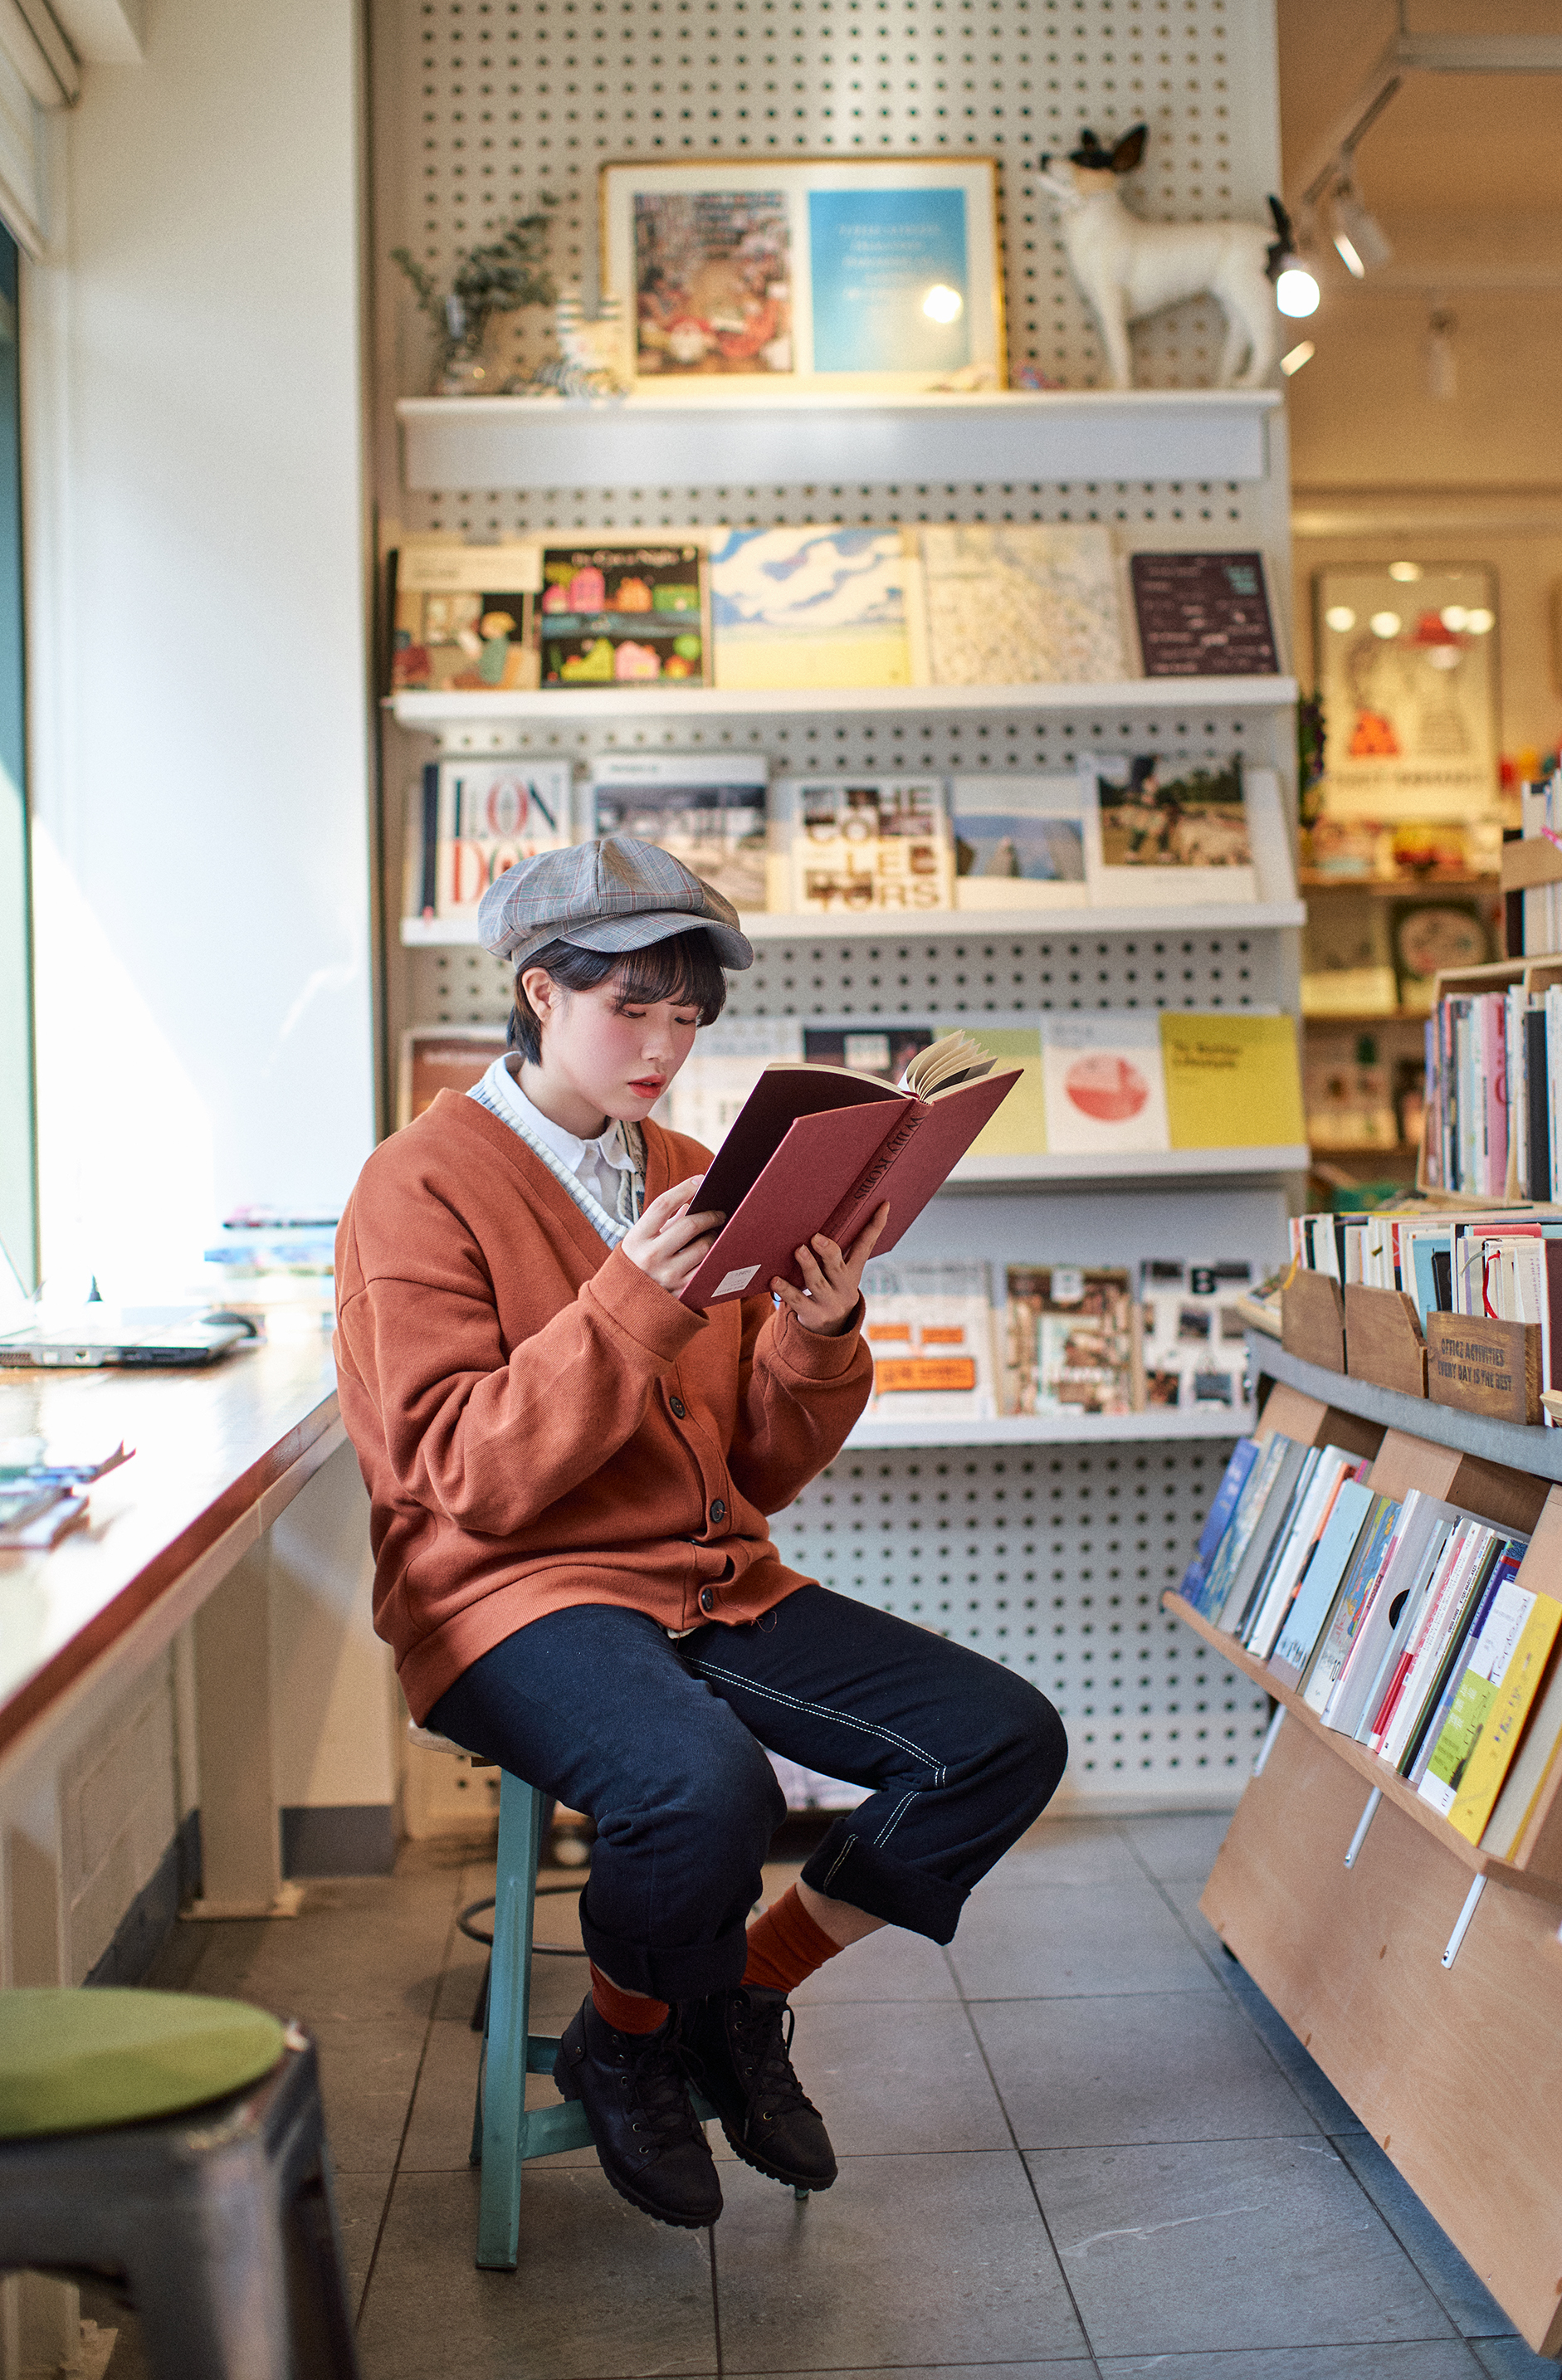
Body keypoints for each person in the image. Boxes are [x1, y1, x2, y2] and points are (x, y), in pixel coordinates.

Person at [333, 835, 1067, 2232]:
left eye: (687, 1017)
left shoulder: (688, 1168)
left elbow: (762, 1470)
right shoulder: (416, 1183)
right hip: (502, 1593)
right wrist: (630, 1304)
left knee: (999, 1739)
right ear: (540, 993)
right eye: (632, 1010)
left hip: (704, 1578)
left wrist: (818, 1331)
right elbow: (457, 1475)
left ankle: (726, 2000)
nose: (664, 1047)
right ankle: (626, 2037)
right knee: (701, 1788)